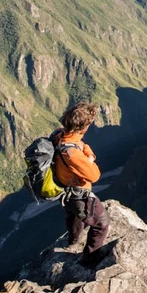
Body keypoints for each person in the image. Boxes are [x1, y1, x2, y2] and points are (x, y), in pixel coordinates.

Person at [50, 101, 110, 267]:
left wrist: (87, 153)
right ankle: (90, 257)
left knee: (74, 215)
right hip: (79, 194)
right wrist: (90, 159)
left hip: (65, 190)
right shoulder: (73, 154)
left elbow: (83, 145)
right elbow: (94, 175)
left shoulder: (60, 135)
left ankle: (74, 240)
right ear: (83, 127)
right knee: (101, 223)